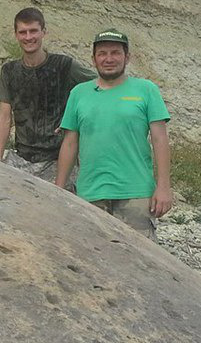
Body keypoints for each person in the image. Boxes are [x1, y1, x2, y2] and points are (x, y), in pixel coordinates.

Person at [54, 28, 173, 239]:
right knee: (91, 254)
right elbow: (70, 143)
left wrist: (163, 186)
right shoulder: (78, 93)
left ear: (127, 57)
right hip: (90, 194)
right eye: (102, 53)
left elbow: (160, 139)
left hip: (136, 194)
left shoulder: (146, 90)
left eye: (115, 53)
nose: (109, 59)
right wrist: (58, 189)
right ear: (94, 59)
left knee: (139, 256)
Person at [0, 7, 95, 183]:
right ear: (16, 35)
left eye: (33, 31)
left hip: (58, 159)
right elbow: (4, 116)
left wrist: (75, 118)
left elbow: (100, 85)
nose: (28, 37)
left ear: (44, 32)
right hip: (22, 158)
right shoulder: (9, 71)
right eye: (23, 32)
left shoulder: (64, 66)